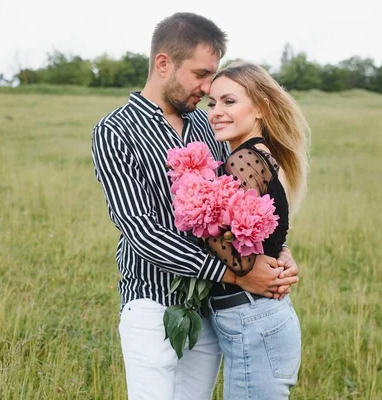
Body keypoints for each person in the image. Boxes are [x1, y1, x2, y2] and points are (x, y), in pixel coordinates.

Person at [90, 13, 300, 400]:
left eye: (213, 77)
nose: (207, 90)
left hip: (206, 305)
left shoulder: (206, 124)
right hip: (151, 302)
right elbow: (141, 230)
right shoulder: (114, 131)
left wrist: (278, 251)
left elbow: (242, 199)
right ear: (164, 64)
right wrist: (236, 275)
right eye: (201, 74)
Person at [205, 61, 310, 399]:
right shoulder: (263, 156)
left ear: (261, 107)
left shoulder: (243, 162)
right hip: (262, 316)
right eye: (212, 103)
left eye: (229, 102)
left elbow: (236, 256)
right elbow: (270, 236)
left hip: (252, 317)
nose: (216, 112)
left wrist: (194, 206)